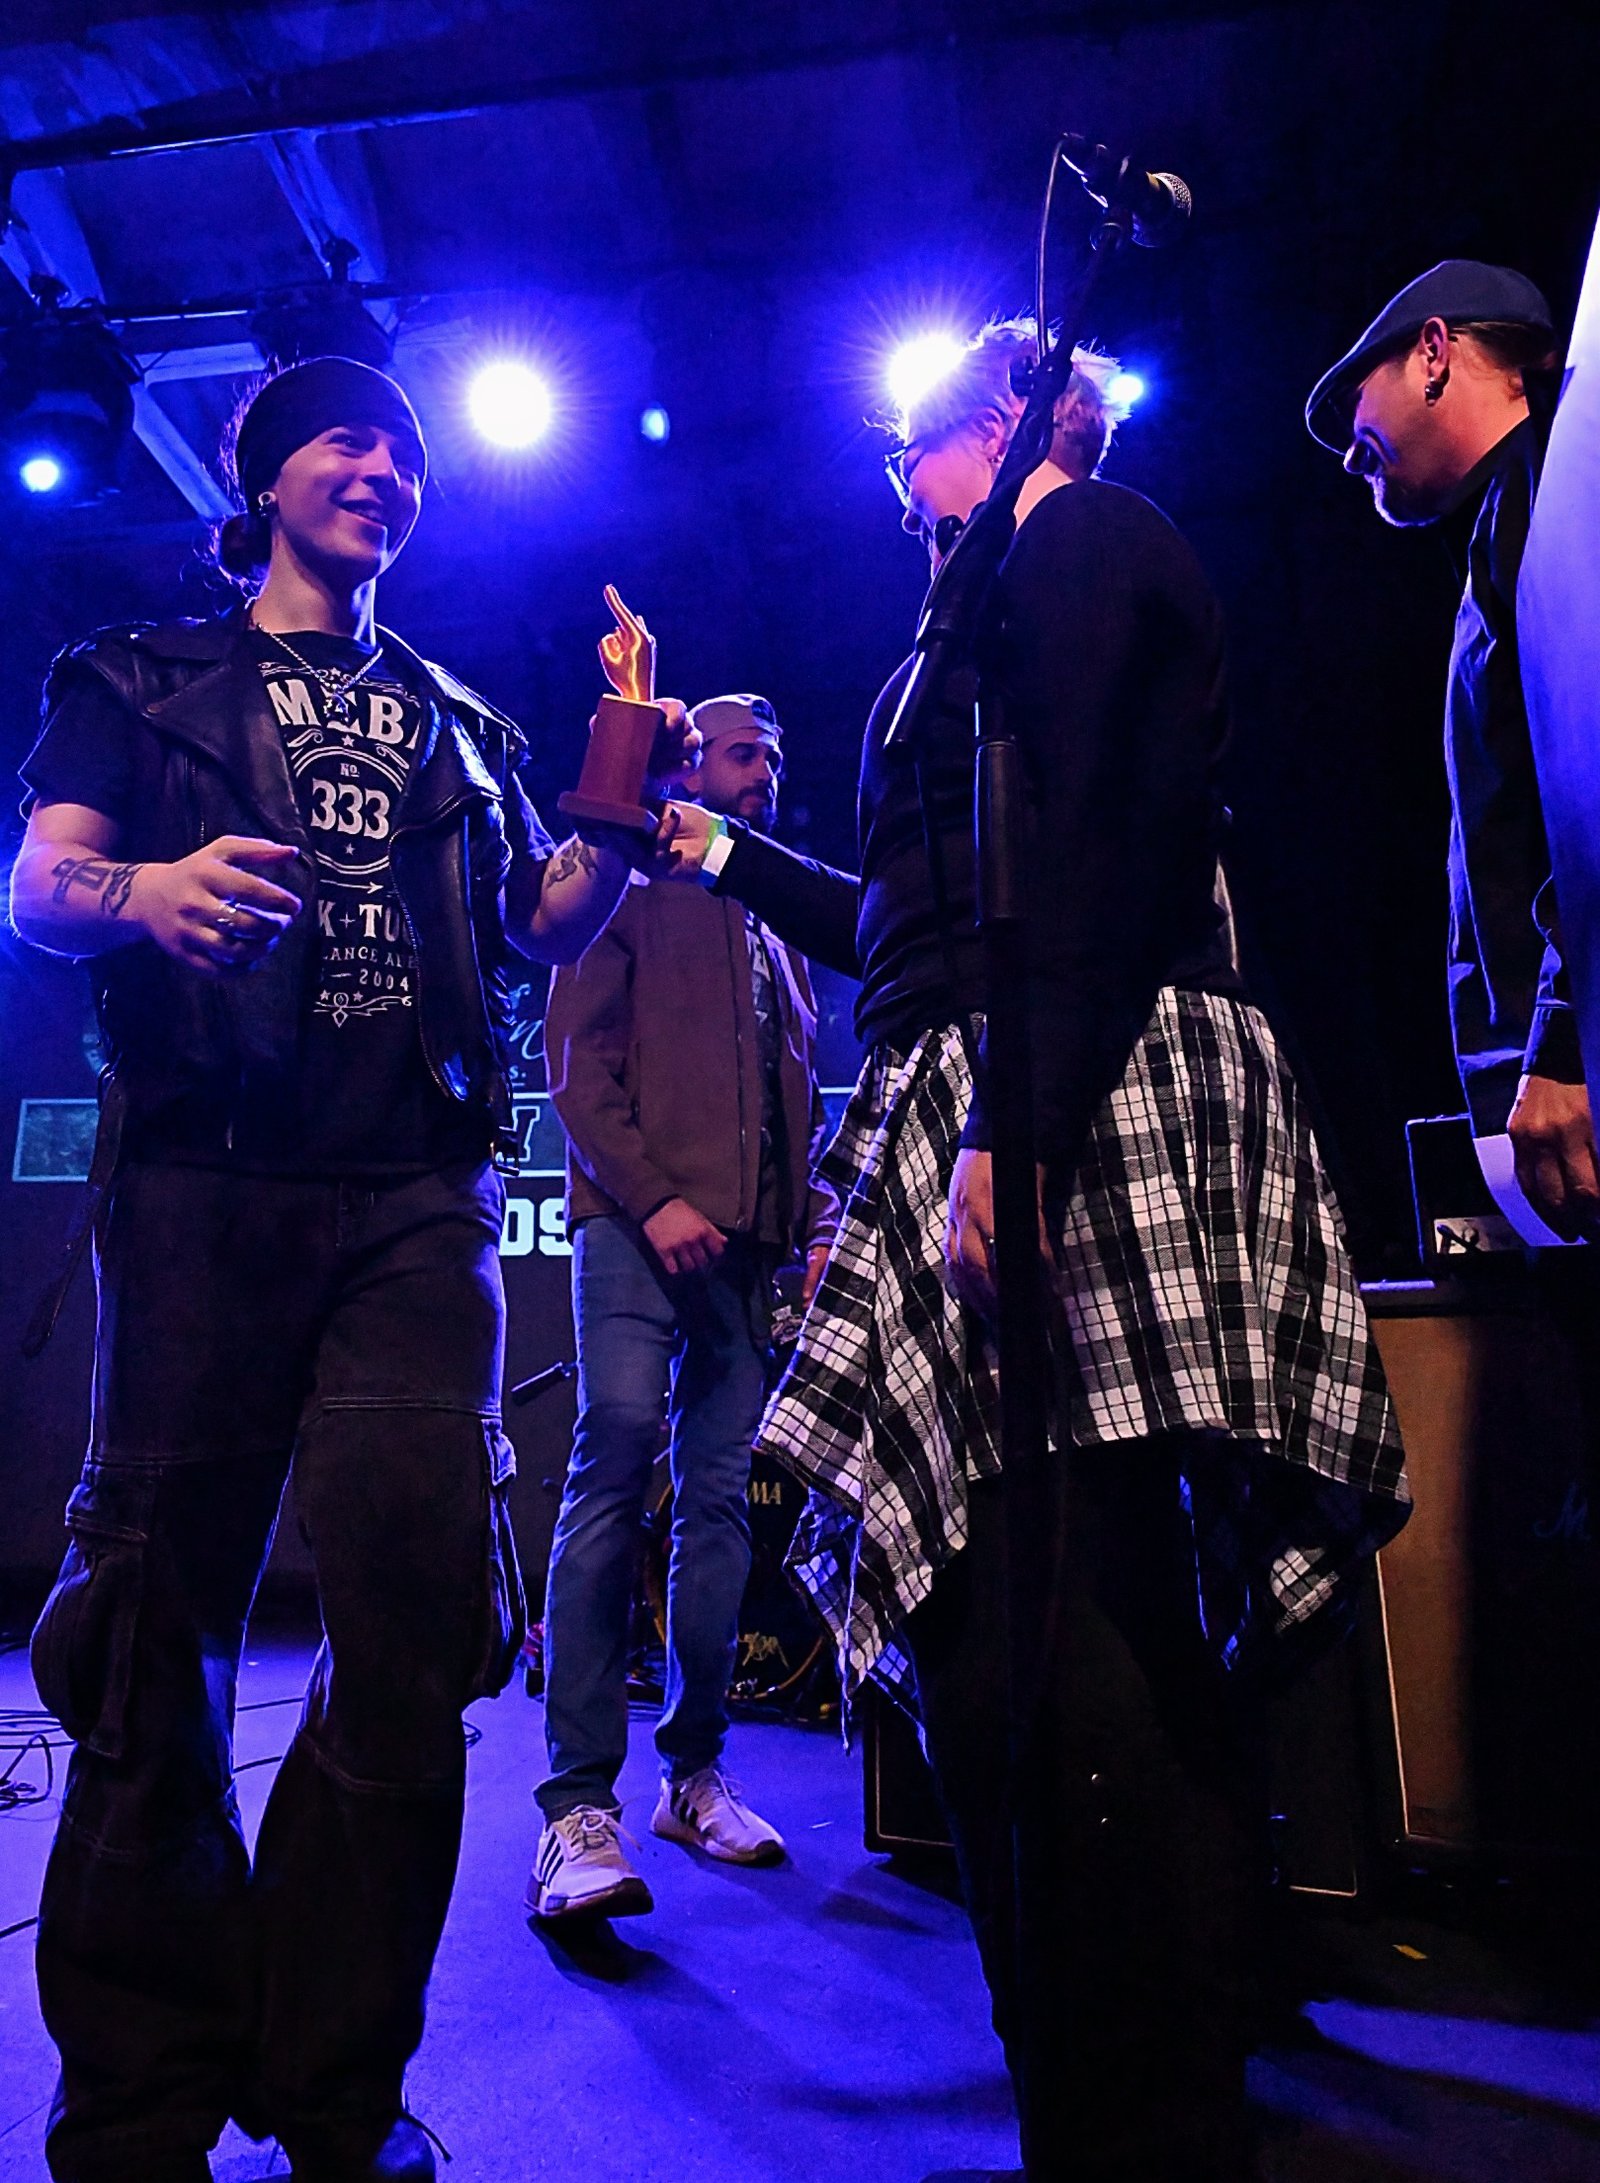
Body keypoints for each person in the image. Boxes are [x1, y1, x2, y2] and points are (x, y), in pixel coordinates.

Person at [665, 323, 1409, 2181]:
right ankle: (1126, 2075)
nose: (901, 489)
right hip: (1006, 1063)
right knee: (1030, 1611)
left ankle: (1141, 2099)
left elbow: (1105, 846)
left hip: (1071, 1073)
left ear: (1006, 423)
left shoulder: (1080, 538)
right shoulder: (982, 609)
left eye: (919, 450)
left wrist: (1021, 1117)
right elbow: (927, 916)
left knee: (1056, 1607)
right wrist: (725, 854)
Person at [10, 356, 684, 2183]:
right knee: (151, 1641)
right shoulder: (136, 676)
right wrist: (145, 895)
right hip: (206, 1188)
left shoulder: (458, 717)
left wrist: (624, 762)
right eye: (343, 439)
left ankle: (332, 2083)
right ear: (265, 481)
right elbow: (40, 883)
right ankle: (142, 2098)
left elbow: (545, 922)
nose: (381, 467)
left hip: (412, 1199)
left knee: (410, 1627)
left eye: (404, 450)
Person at [529, 692, 839, 1921]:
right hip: (633, 1228)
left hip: (744, 1257)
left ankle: (693, 1773)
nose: (767, 772)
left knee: (716, 1506)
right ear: (692, 762)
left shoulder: (772, 917)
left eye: (775, 754)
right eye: (745, 753)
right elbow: (572, 1064)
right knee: (613, 1457)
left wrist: (805, 1220)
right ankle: (575, 1805)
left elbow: (785, 1097)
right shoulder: (625, 880)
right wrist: (654, 1196)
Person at [1304, 262, 1577, 1229]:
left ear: (1432, 353)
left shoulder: (1555, 490)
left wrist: (1565, 1035)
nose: (1350, 456)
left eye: (1356, 404)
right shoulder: (1515, 514)